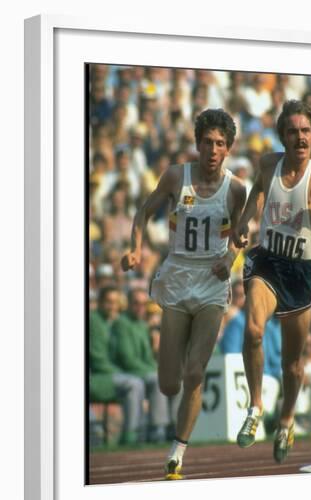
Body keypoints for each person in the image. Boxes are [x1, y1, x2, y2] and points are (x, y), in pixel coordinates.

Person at [121, 108, 246, 479]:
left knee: (195, 373)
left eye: (220, 143)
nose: (212, 149)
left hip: (211, 282)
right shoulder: (177, 176)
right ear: (197, 143)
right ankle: (172, 388)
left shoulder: (235, 188)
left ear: (228, 149)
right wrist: (136, 248)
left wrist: (230, 258)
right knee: (168, 382)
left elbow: (243, 235)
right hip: (176, 278)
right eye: (207, 142)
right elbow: (144, 212)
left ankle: (178, 452)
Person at [233, 99, 311, 463]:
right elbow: (258, 193)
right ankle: (255, 408)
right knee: (253, 331)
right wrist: (243, 221)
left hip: (300, 272)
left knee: (293, 364)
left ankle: (286, 420)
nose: (300, 137)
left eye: (306, 131)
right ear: (283, 135)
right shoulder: (269, 163)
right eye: (293, 131)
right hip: (268, 262)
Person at [111, 288, 170, 443]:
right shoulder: (121, 324)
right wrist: (154, 370)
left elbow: (148, 358)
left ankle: (173, 427)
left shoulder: (142, 325)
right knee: (158, 379)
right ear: (129, 304)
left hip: (140, 372)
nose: (140, 307)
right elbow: (127, 359)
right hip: (125, 372)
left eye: (144, 304)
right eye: (136, 303)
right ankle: (157, 430)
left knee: (170, 377)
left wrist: (158, 369)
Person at [89, 286, 146, 445]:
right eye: (108, 302)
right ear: (99, 303)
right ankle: (130, 436)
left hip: (110, 375)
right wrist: (122, 372)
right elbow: (98, 360)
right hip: (96, 377)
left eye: (115, 303)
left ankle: (138, 433)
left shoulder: (114, 322)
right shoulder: (93, 320)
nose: (112, 306)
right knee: (134, 383)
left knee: (136, 382)